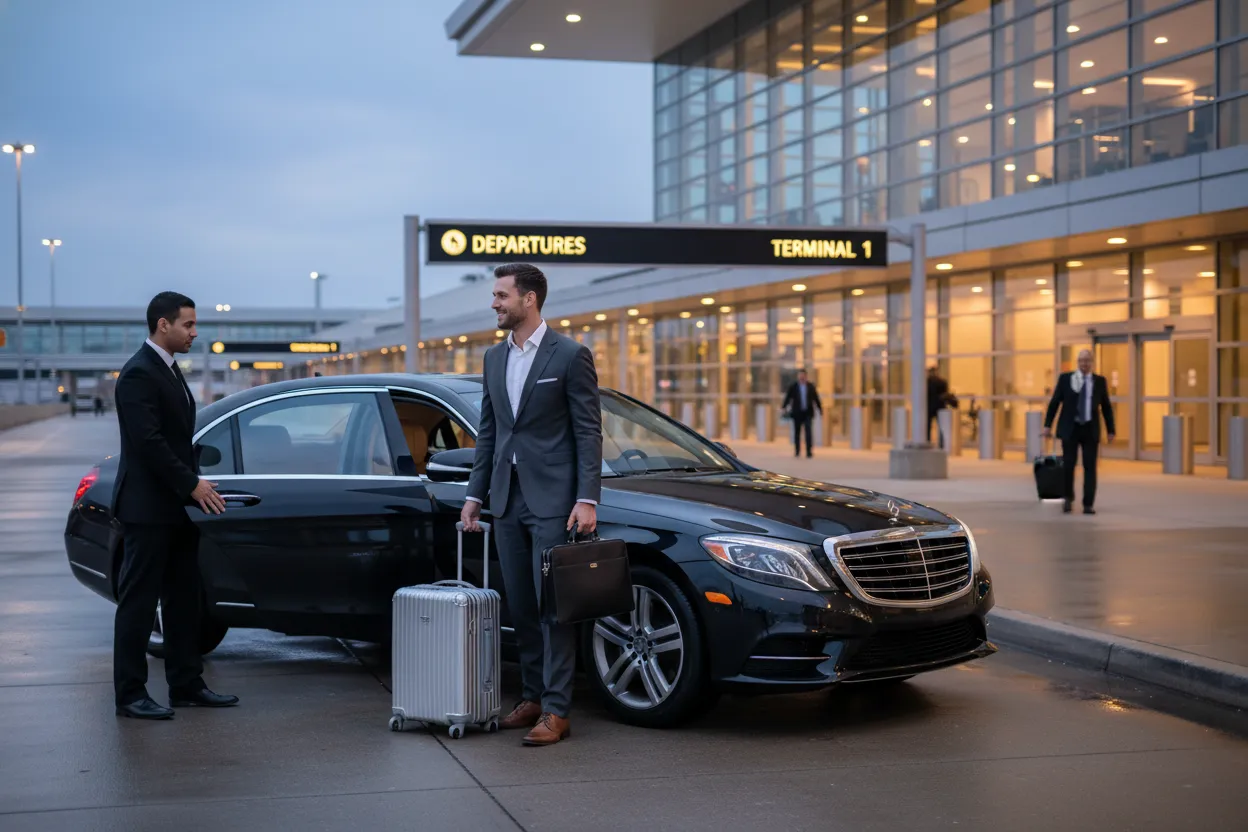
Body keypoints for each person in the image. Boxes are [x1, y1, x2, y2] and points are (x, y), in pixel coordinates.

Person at [460, 263, 602, 747]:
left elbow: (587, 430)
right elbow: (490, 433)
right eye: (495, 296)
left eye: (501, 295)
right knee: (520, 603)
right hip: (506, 499)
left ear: (529, 300)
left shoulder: (570, 355)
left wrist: (587, 498)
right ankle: (535, 695)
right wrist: (475, 496)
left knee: (553, 607)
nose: (495, 303)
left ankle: (559, 710)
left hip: (554, 501)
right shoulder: (493, 359)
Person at [111, 292, 235, 720]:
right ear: (163, 325)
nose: (194, 333)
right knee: (139, 603)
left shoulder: (169, 371)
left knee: (184, 599)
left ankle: (186, 684)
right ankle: (130, 694)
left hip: (174, 508)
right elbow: (148, 443)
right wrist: (192, 484)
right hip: (146, 509)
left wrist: (189, 486)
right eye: (188, 325)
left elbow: (177, 438)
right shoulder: (138, 374)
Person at [1044, 349, 1116, 515]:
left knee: (1090, 467)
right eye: (1082, 361)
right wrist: (1048, 425)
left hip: (1090, 429)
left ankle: (1088, 504)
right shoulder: (1066, 379)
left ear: (1092, 363)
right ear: (1078, 362)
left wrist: (1111, 429)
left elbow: (1106, 407)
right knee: (1068, 465)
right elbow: (1055, 403)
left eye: (1088, 361)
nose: (1085, 364)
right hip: (1070, 429)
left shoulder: (1099, 381)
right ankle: (1068, 499)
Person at [781, 369, 822, 458]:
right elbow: (788, 397)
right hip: (797, 413)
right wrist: (784, 407)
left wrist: (819, 409)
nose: (802, 377)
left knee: (808, 432)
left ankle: (808, 451)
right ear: (798, 376)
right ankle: (797, 451)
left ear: (806, 376)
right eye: (800, 375)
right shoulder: (794, 386)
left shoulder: (810, 386)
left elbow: (816, 398)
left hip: (807, 412)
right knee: (797, 433)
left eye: (803, 375)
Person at [926, 366, 949, 446]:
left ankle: (927, 442)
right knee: (941, 426)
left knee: (928, 427)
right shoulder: (942, 382)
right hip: (940, 407)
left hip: (929, 407)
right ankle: (942, 444)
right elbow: (945, 394)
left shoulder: (926, 382)